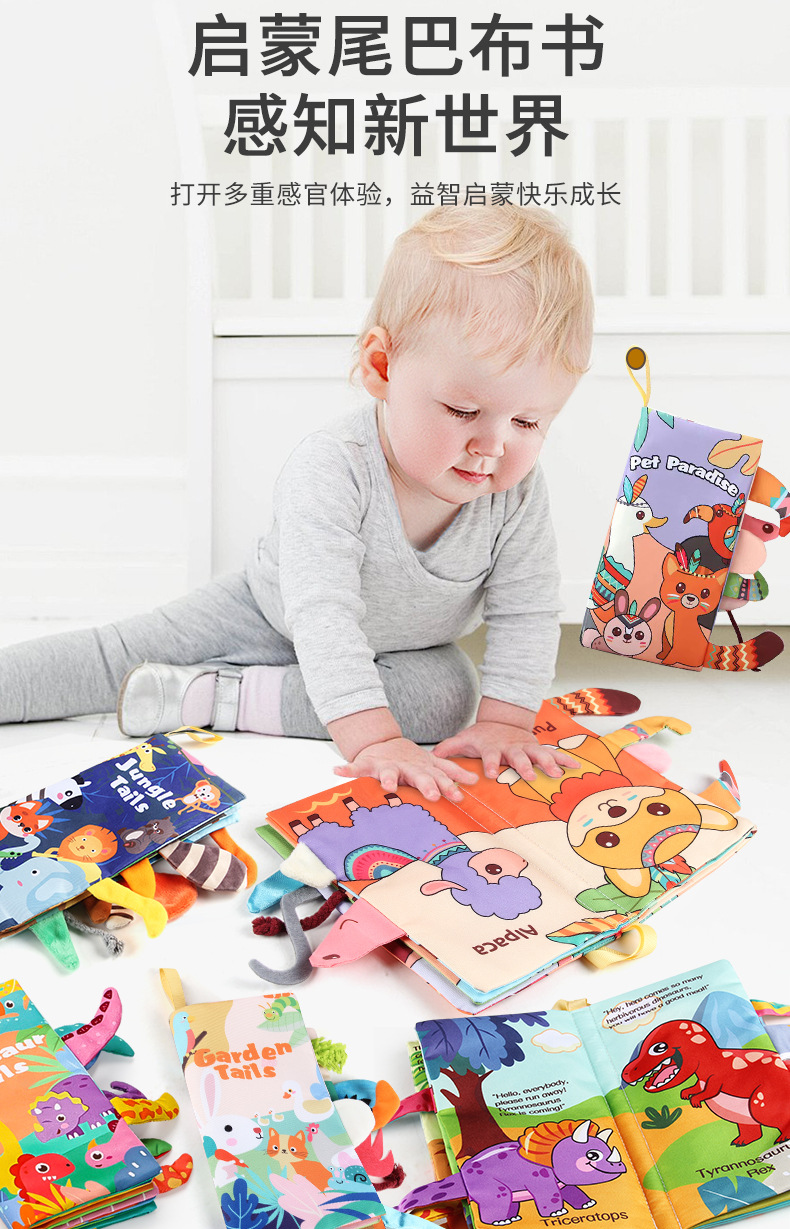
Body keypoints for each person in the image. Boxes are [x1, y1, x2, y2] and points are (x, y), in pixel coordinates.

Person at [1, 205, 593, 804]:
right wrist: (373, 740)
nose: (493, 445)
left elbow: (527, 610)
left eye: (528, 422)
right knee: (114, 655)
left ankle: (212, 697)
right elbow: (322, 613)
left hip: (402, 649)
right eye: (463, 411)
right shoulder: (334, 466)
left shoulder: (516, 491)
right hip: (272, 610)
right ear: (382, 368)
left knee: (447, 699)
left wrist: (506, 723)